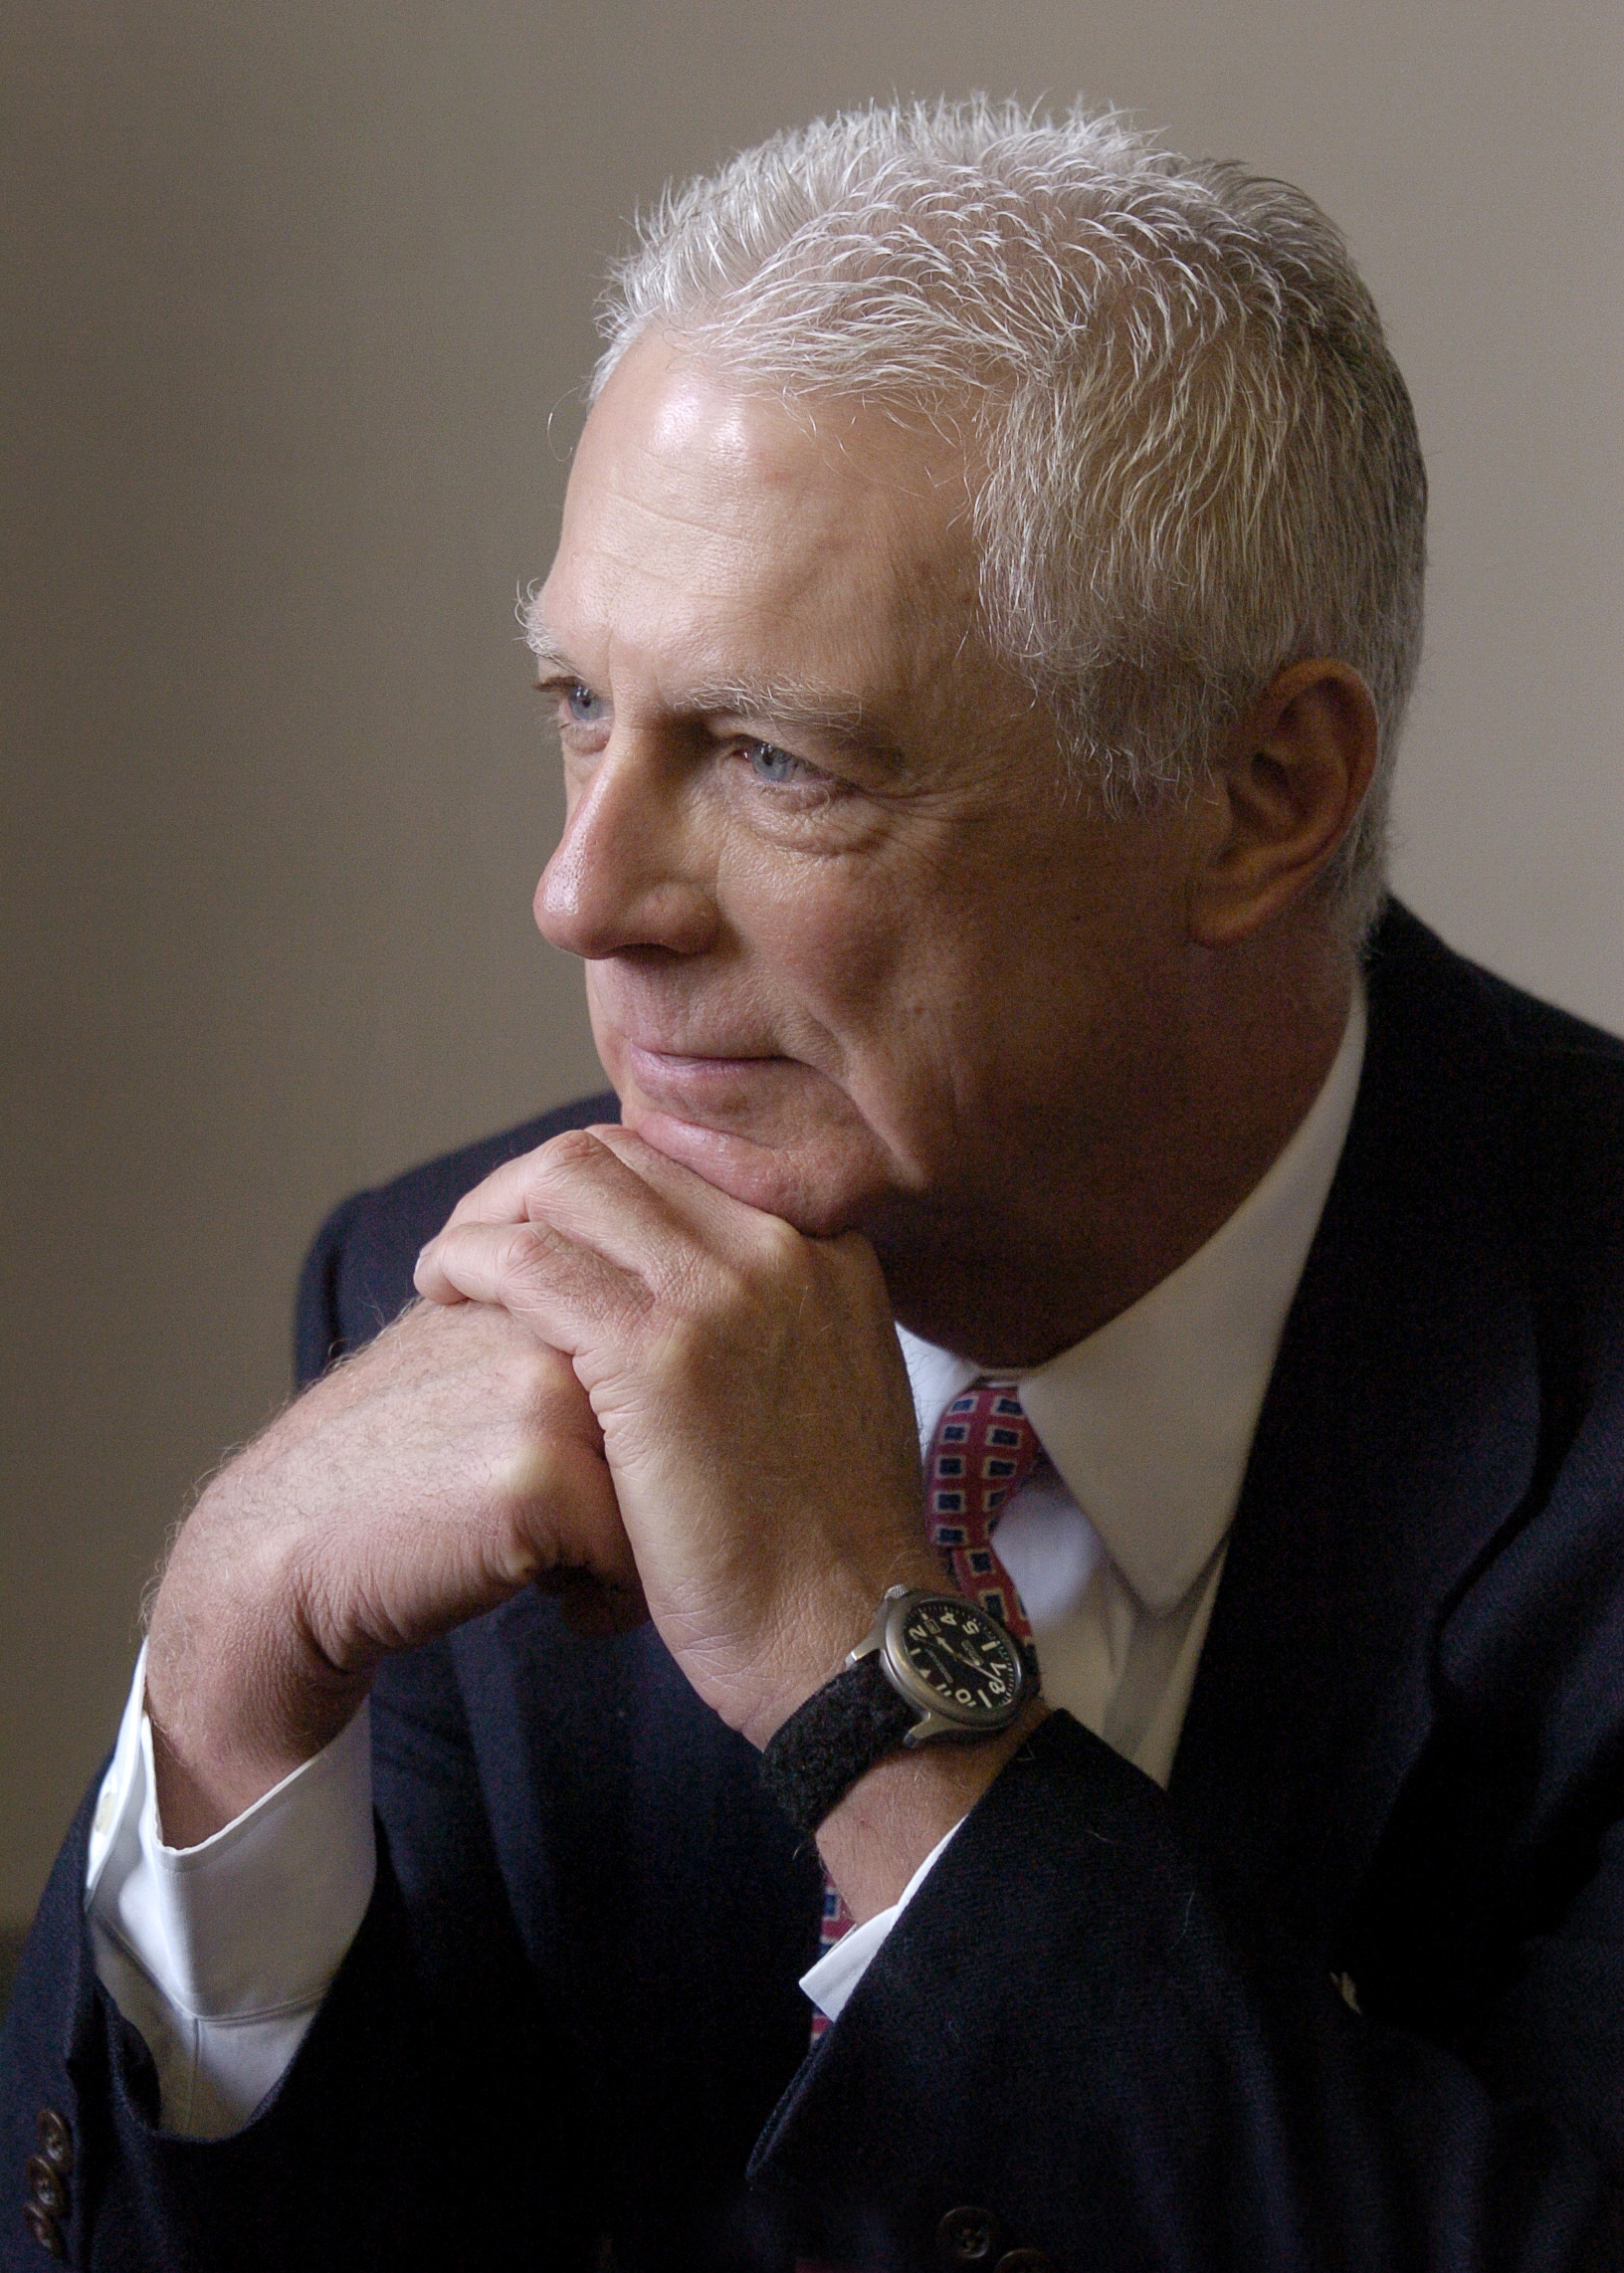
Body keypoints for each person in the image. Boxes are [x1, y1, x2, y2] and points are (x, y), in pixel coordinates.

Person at [3, 99, 1623, 2272]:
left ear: (1263, 793)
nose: (583, 894)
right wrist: (217, 1672)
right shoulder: (448, 1293)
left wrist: (870, 1686)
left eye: (778, 757)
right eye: (583, 705)